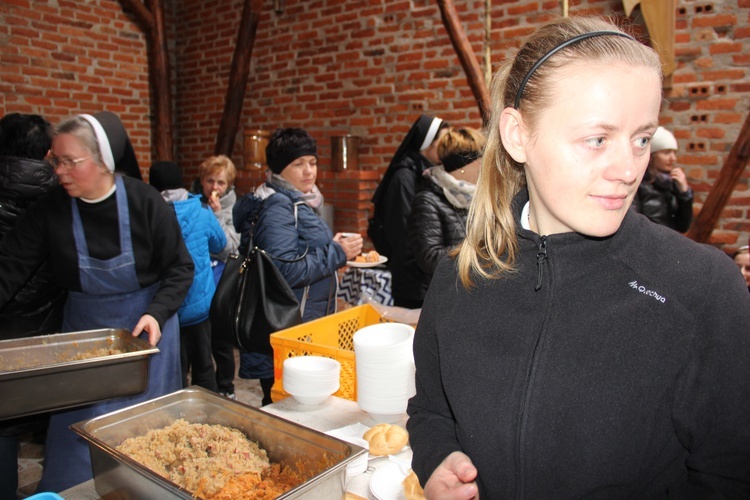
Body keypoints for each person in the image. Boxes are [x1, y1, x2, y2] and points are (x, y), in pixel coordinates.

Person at [406, 16, 750, 499]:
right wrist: (439, 457)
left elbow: (731, 475)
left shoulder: (702, 288)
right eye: (597, 139)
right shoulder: (461, 274)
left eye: (642, 138)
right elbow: (430, 410)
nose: (628, 170)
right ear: (518, 135)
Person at [0, 112, 193, 492]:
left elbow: (180, 269)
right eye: (55, 160)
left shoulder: (146, 203)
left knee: (148, 442)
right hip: (85, 341)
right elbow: (10, 267)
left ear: (103, 161)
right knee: (78, 443)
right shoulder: (51, 209)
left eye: (71, 161)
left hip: (146, 335)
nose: (59, 171)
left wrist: (157, 312)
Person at [233, 127, 362, 405]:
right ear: (280, 169)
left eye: (312, 163)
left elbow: (298, 253)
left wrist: (333, 251)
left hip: (300, 324)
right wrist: (336, 253)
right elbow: (284, 271)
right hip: (289, 328)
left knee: (296, 403)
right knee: (287, 405)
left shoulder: (299, 200)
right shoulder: (279, 205)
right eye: (298, 164)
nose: (308, 171)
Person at [0, 113, 66, 500]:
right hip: (53, 330)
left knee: (5, 428)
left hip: (6, 332)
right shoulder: (64, 196)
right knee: (54, 419)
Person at [150, 161, 226, 392]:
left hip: (167, 307)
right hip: (200, 304)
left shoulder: (150, 214)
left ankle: (179, 417)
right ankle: (209, 416)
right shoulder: (201, 212)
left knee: (175, 369)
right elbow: (221, 243)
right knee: (204, 364)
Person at [368, 114, 450, 308]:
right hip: (413, 281)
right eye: (443, 141)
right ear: (427, 144)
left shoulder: (427, 171)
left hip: (425, 277)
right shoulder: (404, 178)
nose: (448, 146)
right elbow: (402, 233)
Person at [191, 155, 241, 399]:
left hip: (223, 282)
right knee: (201, 340)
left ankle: (226, 387)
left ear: (229, 184)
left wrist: (218, 216)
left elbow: (230, 247)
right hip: (201, 283)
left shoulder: (234, 209)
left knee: (222, 342)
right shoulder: (194, 206)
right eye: (210, 181)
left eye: (220, 182)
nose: (214, 188)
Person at [407, 126, 485, 281]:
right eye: (479, 161)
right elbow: (429, 259)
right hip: (446, 294)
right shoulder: (427, 200)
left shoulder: (478, 194)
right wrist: (480, 246)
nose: (483, 166)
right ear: (463, 167)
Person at [631, 126, 693, 232]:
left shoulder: (672, 183)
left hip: (668, 244)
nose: (673, 158)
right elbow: (633, 227)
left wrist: (684, 193)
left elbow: (682, 227)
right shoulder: (638, 183)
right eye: (666, 152)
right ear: (651, 155)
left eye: (674, 152)